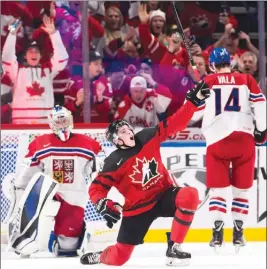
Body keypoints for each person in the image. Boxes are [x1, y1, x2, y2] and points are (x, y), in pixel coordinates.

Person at [80, 80, 210, 266]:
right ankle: (100, 256)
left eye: (128, 128)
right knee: (119, 259)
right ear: (117, 140)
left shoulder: (148, 136)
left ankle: (174, 247)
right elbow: (97, 189)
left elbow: (175, 123)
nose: (129, 131)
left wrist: (192, 102)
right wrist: (104, 203)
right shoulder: (113, 162)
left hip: (163, 195)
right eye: (123, 131)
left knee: (190, 195)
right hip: (137, 209)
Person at [191, 47, 266, 251]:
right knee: (241, 190)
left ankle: (217, 234)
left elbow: (193, 115)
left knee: (219, 191)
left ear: (212, 65)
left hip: (217, 141)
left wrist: (192, 97)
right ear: (231, 64)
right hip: (244, 139)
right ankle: (239, 234)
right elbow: (260, 105)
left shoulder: (207, 82)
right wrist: (261, 129)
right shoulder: (247, 80)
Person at [5, 105, 101, 257]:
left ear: (70, 119)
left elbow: (97, 171)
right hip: (47, 193)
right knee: (24, 244)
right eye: (58, 121)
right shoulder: (39, 143)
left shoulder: (88, 143)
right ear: (51, 122)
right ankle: (28, 237)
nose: (62, 124)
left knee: (67, 247)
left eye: (65, 120)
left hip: (74, 195)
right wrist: (20, 191)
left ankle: (62, 237)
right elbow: (29, 174)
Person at [2, 15, 68, 124]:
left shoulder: (48, 69)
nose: (34, 54)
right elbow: (7, 57)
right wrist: (12, 34)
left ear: (41, 55)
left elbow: (62, 59)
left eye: (37, 51)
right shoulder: (17, 70)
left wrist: (54, 34)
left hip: (45, 124)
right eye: (30, 51)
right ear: (25, 56)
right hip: (21, 124)